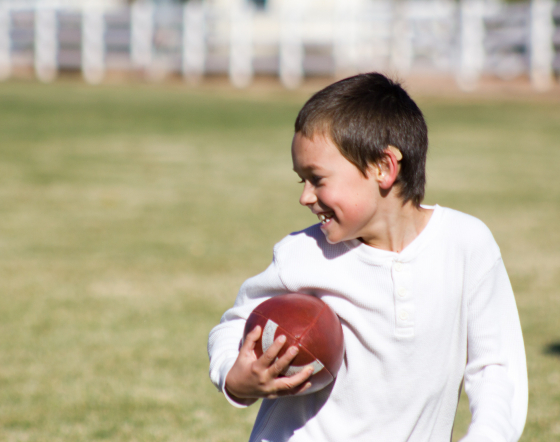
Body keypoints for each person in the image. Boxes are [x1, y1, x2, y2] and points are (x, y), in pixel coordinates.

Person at [208, 73, 528, 442]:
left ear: (383, 168)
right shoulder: (302, 254)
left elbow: (496, 369)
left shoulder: (467, 244)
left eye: (317, 178)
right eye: (302, 181)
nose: (305, 197)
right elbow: (237, 323)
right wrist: (236, 378)